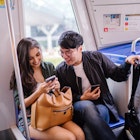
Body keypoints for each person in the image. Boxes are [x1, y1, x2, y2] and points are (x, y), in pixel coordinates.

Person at [56, 30, 140, 140]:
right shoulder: (61, 69)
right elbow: (63, 96)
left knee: (95, 121)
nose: (64, 56)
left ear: (80, 48)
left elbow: (118, 75)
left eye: (68, 52)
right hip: (77, 106)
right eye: (61, 52)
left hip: (101, 104)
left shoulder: (96, 58)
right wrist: (81, 97)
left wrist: (127, 63)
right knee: (87, 105)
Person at [10, 37, 85, 140]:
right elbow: (20, 105)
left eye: (37, 55)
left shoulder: (49, 67)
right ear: (23, 59)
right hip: (32, 119)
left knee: (80, 134)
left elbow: (57, 95)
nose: (36, 60)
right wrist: (39, 92)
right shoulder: (20, 75)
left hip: (53, 112)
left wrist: (57, 88)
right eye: (30, 58)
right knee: (69, 137)